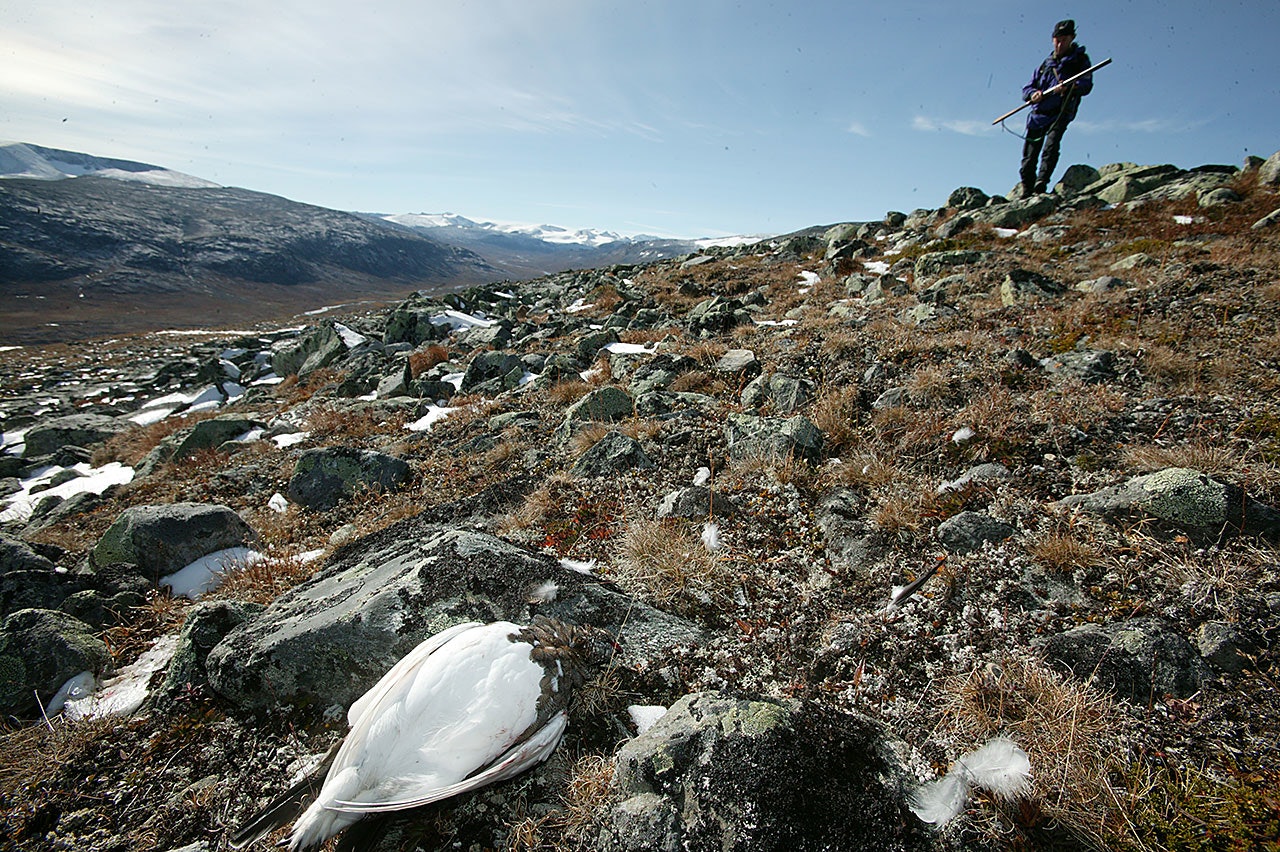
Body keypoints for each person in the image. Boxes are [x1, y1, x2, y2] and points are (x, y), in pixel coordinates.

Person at [1019, 19, 1093, 195]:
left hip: (1061, 112)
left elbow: (1086, 85)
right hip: (1038, 115)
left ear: (1072, 38)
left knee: (1050, 149)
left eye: (1064, 40)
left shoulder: (1080, 61)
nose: (1060, 44)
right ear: (1053, 39)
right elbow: (1027, 88)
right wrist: (1033, 94)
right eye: (1057, 39)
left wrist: (1069, 87)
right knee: (1029, 157)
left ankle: (1041, 184)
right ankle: (1027, 189)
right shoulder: (1045, 66)